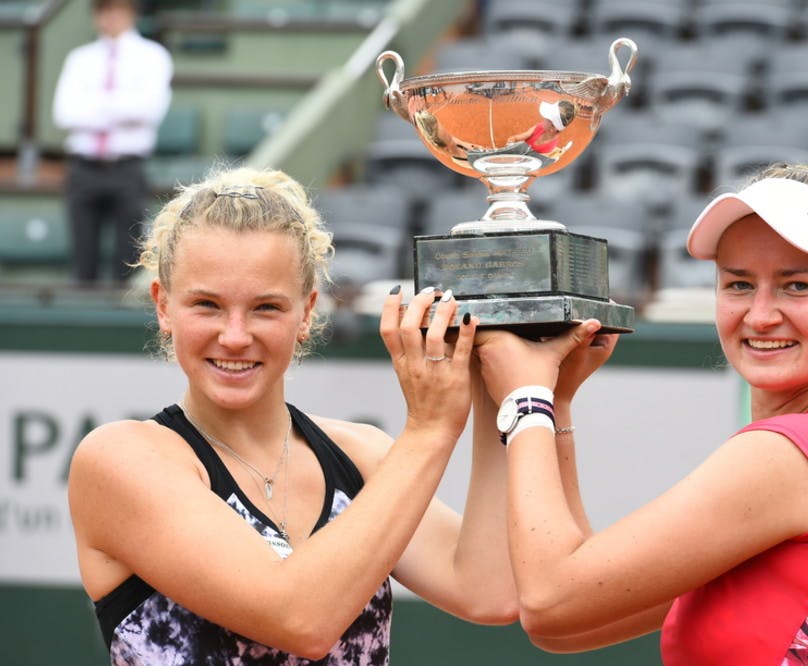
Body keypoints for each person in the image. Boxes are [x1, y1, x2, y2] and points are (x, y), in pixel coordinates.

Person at [473, 162, 808, 665]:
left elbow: (550, 601)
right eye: (738, 284)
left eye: (797, 285)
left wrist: (527, 400)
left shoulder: (797, 453)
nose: (759, 314)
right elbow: (570, 625)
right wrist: (556, 400)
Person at [67, 165, 516, 663]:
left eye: (266, 308)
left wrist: (501, 389)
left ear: (307, 312)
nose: (235, 335)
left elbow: (487, 590)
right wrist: (430, 431)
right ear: (163, 307)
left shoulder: (360, 454)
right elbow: (300, 620)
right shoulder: (120, 459)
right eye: (207, 304)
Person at [52, 0, 173, 286]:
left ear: (131, 14)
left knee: (128, 263)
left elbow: (147, 109)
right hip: (83, 168)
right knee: (83, 265)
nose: (110, 18)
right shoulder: (80, 58)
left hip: (127, 168)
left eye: (117, 10)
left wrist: (94, 108)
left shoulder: (153, 56)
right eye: (103, 11)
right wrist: (121, 107)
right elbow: (65, 113)